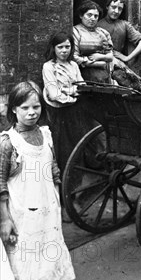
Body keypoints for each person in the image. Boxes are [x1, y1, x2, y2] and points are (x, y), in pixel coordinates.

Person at [0, 81, 75, 280]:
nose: (32, 112)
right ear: (13, 109)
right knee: (26, 257)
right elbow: (0, 182)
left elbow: (52, 166)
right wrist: (4, 218)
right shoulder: (8, 143)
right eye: (25, 108)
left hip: (47, 207)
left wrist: (57, 191)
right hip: (22, 212)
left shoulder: (45, 134)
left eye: (36, 107)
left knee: (48, 252)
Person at [42, 31, 87, 177]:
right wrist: (72, 93)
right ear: (54, 48)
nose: (64, 51)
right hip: (57, 113)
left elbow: (82, 86)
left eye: (67, 47)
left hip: (74, 112)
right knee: (60, 147)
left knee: (75, 145)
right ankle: (59, 184)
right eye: (60, 47)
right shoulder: (49, 67)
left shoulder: (73, 65)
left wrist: (68, 90)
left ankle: (74, 183)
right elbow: (54, 94)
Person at [97, 0, 141, 92]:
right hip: (100, 65)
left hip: (118, 67)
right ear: (107, 7)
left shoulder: (124, 25)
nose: (116, 11)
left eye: (120, 9)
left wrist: (126, 57)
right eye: (113, 7)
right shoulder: (97, 24)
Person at [72, 0, 114, 84]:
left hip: (103, 75)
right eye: (89, 15)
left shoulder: (103, 33)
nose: (93, 19)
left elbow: (110, 56)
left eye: (96, 16)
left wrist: (99, 57)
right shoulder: (75, 31)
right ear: (81, 15)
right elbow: (74, 58)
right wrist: (99, 64)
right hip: (83, 74)